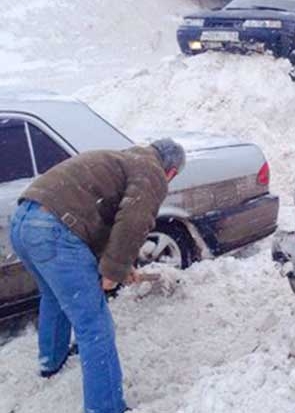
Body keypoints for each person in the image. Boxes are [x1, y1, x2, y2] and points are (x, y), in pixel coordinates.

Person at [10, 139, 186, 413]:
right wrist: (112, 272)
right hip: (53, 230)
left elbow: (103, 222)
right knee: (95, 325)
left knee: (54, 296)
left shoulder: (121, 160)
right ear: (171, 171)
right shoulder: (151, 171)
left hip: (23, 223)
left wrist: (121, 265)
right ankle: (106, 407)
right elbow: (134, 221)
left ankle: (51, 362)